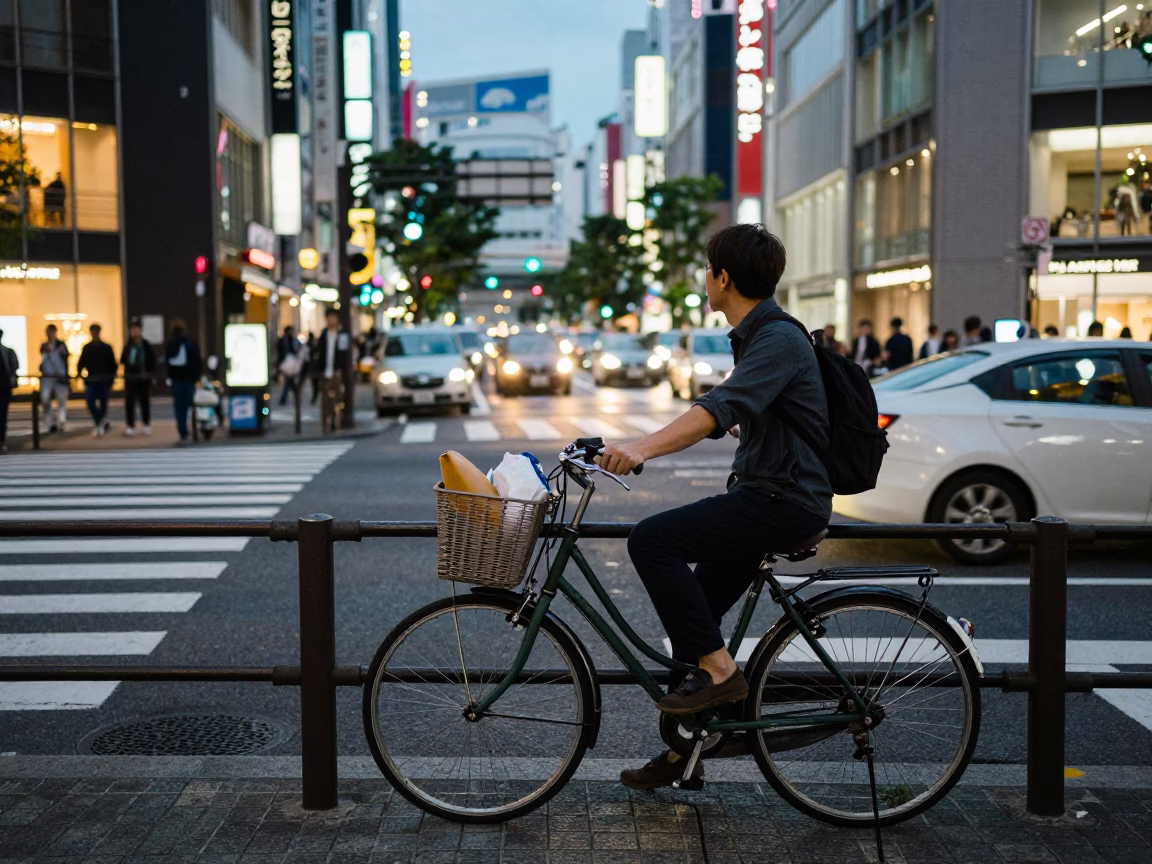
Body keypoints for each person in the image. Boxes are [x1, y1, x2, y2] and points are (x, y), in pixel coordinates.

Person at [598, 224, 831, 791]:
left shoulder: (775, 337)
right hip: (766, 493)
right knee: (693, 624)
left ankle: (725, 676)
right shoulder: (756, 335)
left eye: (707, 269)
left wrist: (640, 447)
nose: (706, 278)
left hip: (783, 501)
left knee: (651, 540)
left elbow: (717, 406)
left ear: (723, 278)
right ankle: (689, 754)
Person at [164, 320, 203, 443]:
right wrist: (197, 376)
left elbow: (167, 362)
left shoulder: (171, 344)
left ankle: (183, 431)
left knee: (179, 407)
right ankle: (193, 429)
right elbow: (197, 360)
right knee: (191, 405)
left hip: (177, 379)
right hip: (188, 379)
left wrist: (169, 376)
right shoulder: (189, 342)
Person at [76, 324, 117, 437]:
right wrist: (81, 374)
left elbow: (112, 365)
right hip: (93, 378)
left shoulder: (105, 347)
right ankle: (101, 420)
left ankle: (100, 422)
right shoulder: (88, 347)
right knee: (91, 402)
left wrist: (111, 378)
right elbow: (81, 363)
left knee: (102, 402)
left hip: (102, 379)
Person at [314, 308, 350, 434]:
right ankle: (325, 424)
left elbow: (344, 354)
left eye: (333, 317)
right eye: (329, 317)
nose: (331, 320)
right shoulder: (324, 334)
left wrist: (341, 369)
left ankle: (336, 421)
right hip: (325, 372)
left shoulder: (342, 334)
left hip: (336, 371)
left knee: (337, 399)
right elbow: (318, 353)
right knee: (325, 400)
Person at [120, 317, 156, 436]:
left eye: (137, 329)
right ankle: (130, 425)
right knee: (130, 403)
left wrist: (150, 374)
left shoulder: (146, 345)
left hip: (144, 379)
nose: (135, 332)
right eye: (133, 330)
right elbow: (123, 360)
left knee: (144, 402)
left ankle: (146, 424)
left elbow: (152, 361)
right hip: (131, 378)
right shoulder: (128, 346)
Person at [39, 324, 70, 433]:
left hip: (60, 376)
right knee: (45, 398)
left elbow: (66, 357)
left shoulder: (61, 345)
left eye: (51, 332)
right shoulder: (44, 346)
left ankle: (61, 420)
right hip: (48, 376)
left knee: (61, 399)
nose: (49, 334)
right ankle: (51, 422)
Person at [0, 328, 18, 452]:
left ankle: (2, 439)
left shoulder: (7, 351)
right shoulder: (6, 351)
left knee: (2, 414)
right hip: (4, 386)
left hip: (4, 386)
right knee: (2, 414)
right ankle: (2, 440)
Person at [276, 325, 302, 407]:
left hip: (286, 363)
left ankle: (286, 399)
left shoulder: (283, 339)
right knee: (289, 383)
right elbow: (293, 350)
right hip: (288, 364)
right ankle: (288, 399)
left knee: (288, 382)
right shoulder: (289, 340)